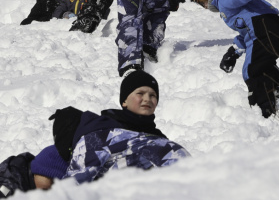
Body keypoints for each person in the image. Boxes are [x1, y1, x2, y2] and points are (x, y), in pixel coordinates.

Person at [44, 70, 189, 185]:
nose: (147, 99)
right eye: (140, 93)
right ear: (124, 101)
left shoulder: (156, 136)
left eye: (153, 95)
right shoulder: (102, 131)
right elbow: (76, 180)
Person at [190, 0, 279, 118]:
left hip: (265, 28)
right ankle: (272, 87)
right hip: (276, 26)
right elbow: (248, 31)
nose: (205, 7)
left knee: (252, 71)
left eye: (201, 3)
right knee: (261, 62)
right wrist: (234, 51)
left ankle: (264, 110)